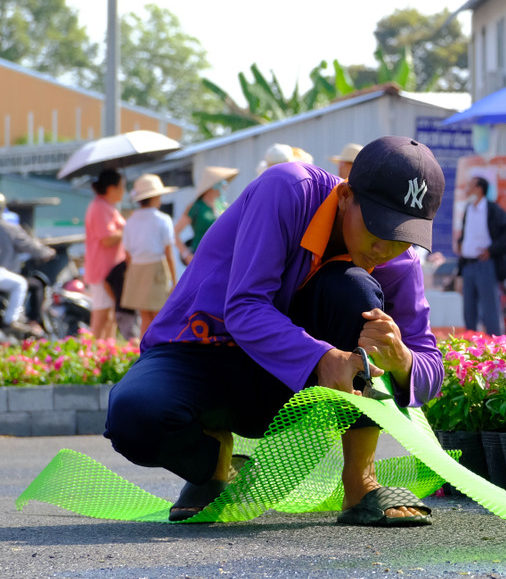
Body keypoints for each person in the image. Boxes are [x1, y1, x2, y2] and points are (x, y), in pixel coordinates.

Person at [104, 136, 445, 526]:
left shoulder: (398, 260)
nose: (385, 249)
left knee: (355, 293)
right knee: (133, 417)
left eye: (403, 237)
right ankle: (216, 462)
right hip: (200, 353)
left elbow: (430, 361)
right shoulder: (288, 190)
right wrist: (320, 357)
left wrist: (402, 360)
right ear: (347, 194)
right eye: (378, 229)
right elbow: (244, 307)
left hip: (285, 387)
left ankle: (360, 483)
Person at [454, 175, 506, 336]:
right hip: (468, 264)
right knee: (469, 307)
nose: (467, 188)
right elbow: (466, 235)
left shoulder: (492, 209)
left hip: (485, 264)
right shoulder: (468, 209)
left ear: (479, 189)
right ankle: (470, 343)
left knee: (490, 307)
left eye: (470, 185)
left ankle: (495, 344)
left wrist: (491, 250)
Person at [121, 174, 181, 337]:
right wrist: (175, 281)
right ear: (154, 197)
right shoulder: (162, 219)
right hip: (156, 269)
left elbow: (127, 254)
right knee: (159, 318)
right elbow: (169, 252)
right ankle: (157, 355)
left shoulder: (130, 222)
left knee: (145, 318)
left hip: (136, 269)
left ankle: (145, 355)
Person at [0, 199, 55, 338]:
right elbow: (31, 246)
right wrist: (47, 252)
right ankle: (11, 321)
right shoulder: (9, 228)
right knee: (24, 283)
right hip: (4, 273)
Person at [84, 169, 127, 341]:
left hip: (111, 271)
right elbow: (107, 239)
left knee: (110, 316)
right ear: (111, 188)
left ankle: (105, 353)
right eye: (121, 187)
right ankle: (92, 357)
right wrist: (128, 229)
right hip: (102, 270)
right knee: (101, 316)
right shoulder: (99, 207)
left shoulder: (107, 206)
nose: (123, 191)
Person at [174, 166, 238, 265]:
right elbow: (174, 232)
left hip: (224, 257)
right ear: (214, 185)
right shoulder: (196, 207)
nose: (225, 186)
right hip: (202, 257)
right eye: (222, 183)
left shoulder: (223, 206)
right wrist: (186, 254)